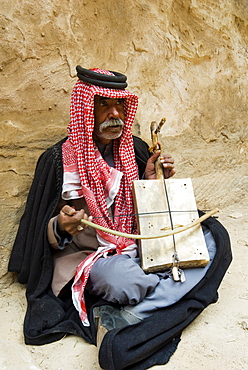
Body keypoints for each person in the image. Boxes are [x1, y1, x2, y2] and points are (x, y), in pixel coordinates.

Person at [8, 67, 232, 370]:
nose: (115, 114)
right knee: (126, 282)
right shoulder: (58, 160)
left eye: (120, 105)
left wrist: (151, 181)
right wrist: (60, 226)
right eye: (103, 104)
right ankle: (168, 290)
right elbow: (36, 232)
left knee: (212, 236)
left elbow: (147, 213)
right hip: (92, 255)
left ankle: (134, 315)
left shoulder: (134, 148)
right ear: (86, 108)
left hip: (136, 240)